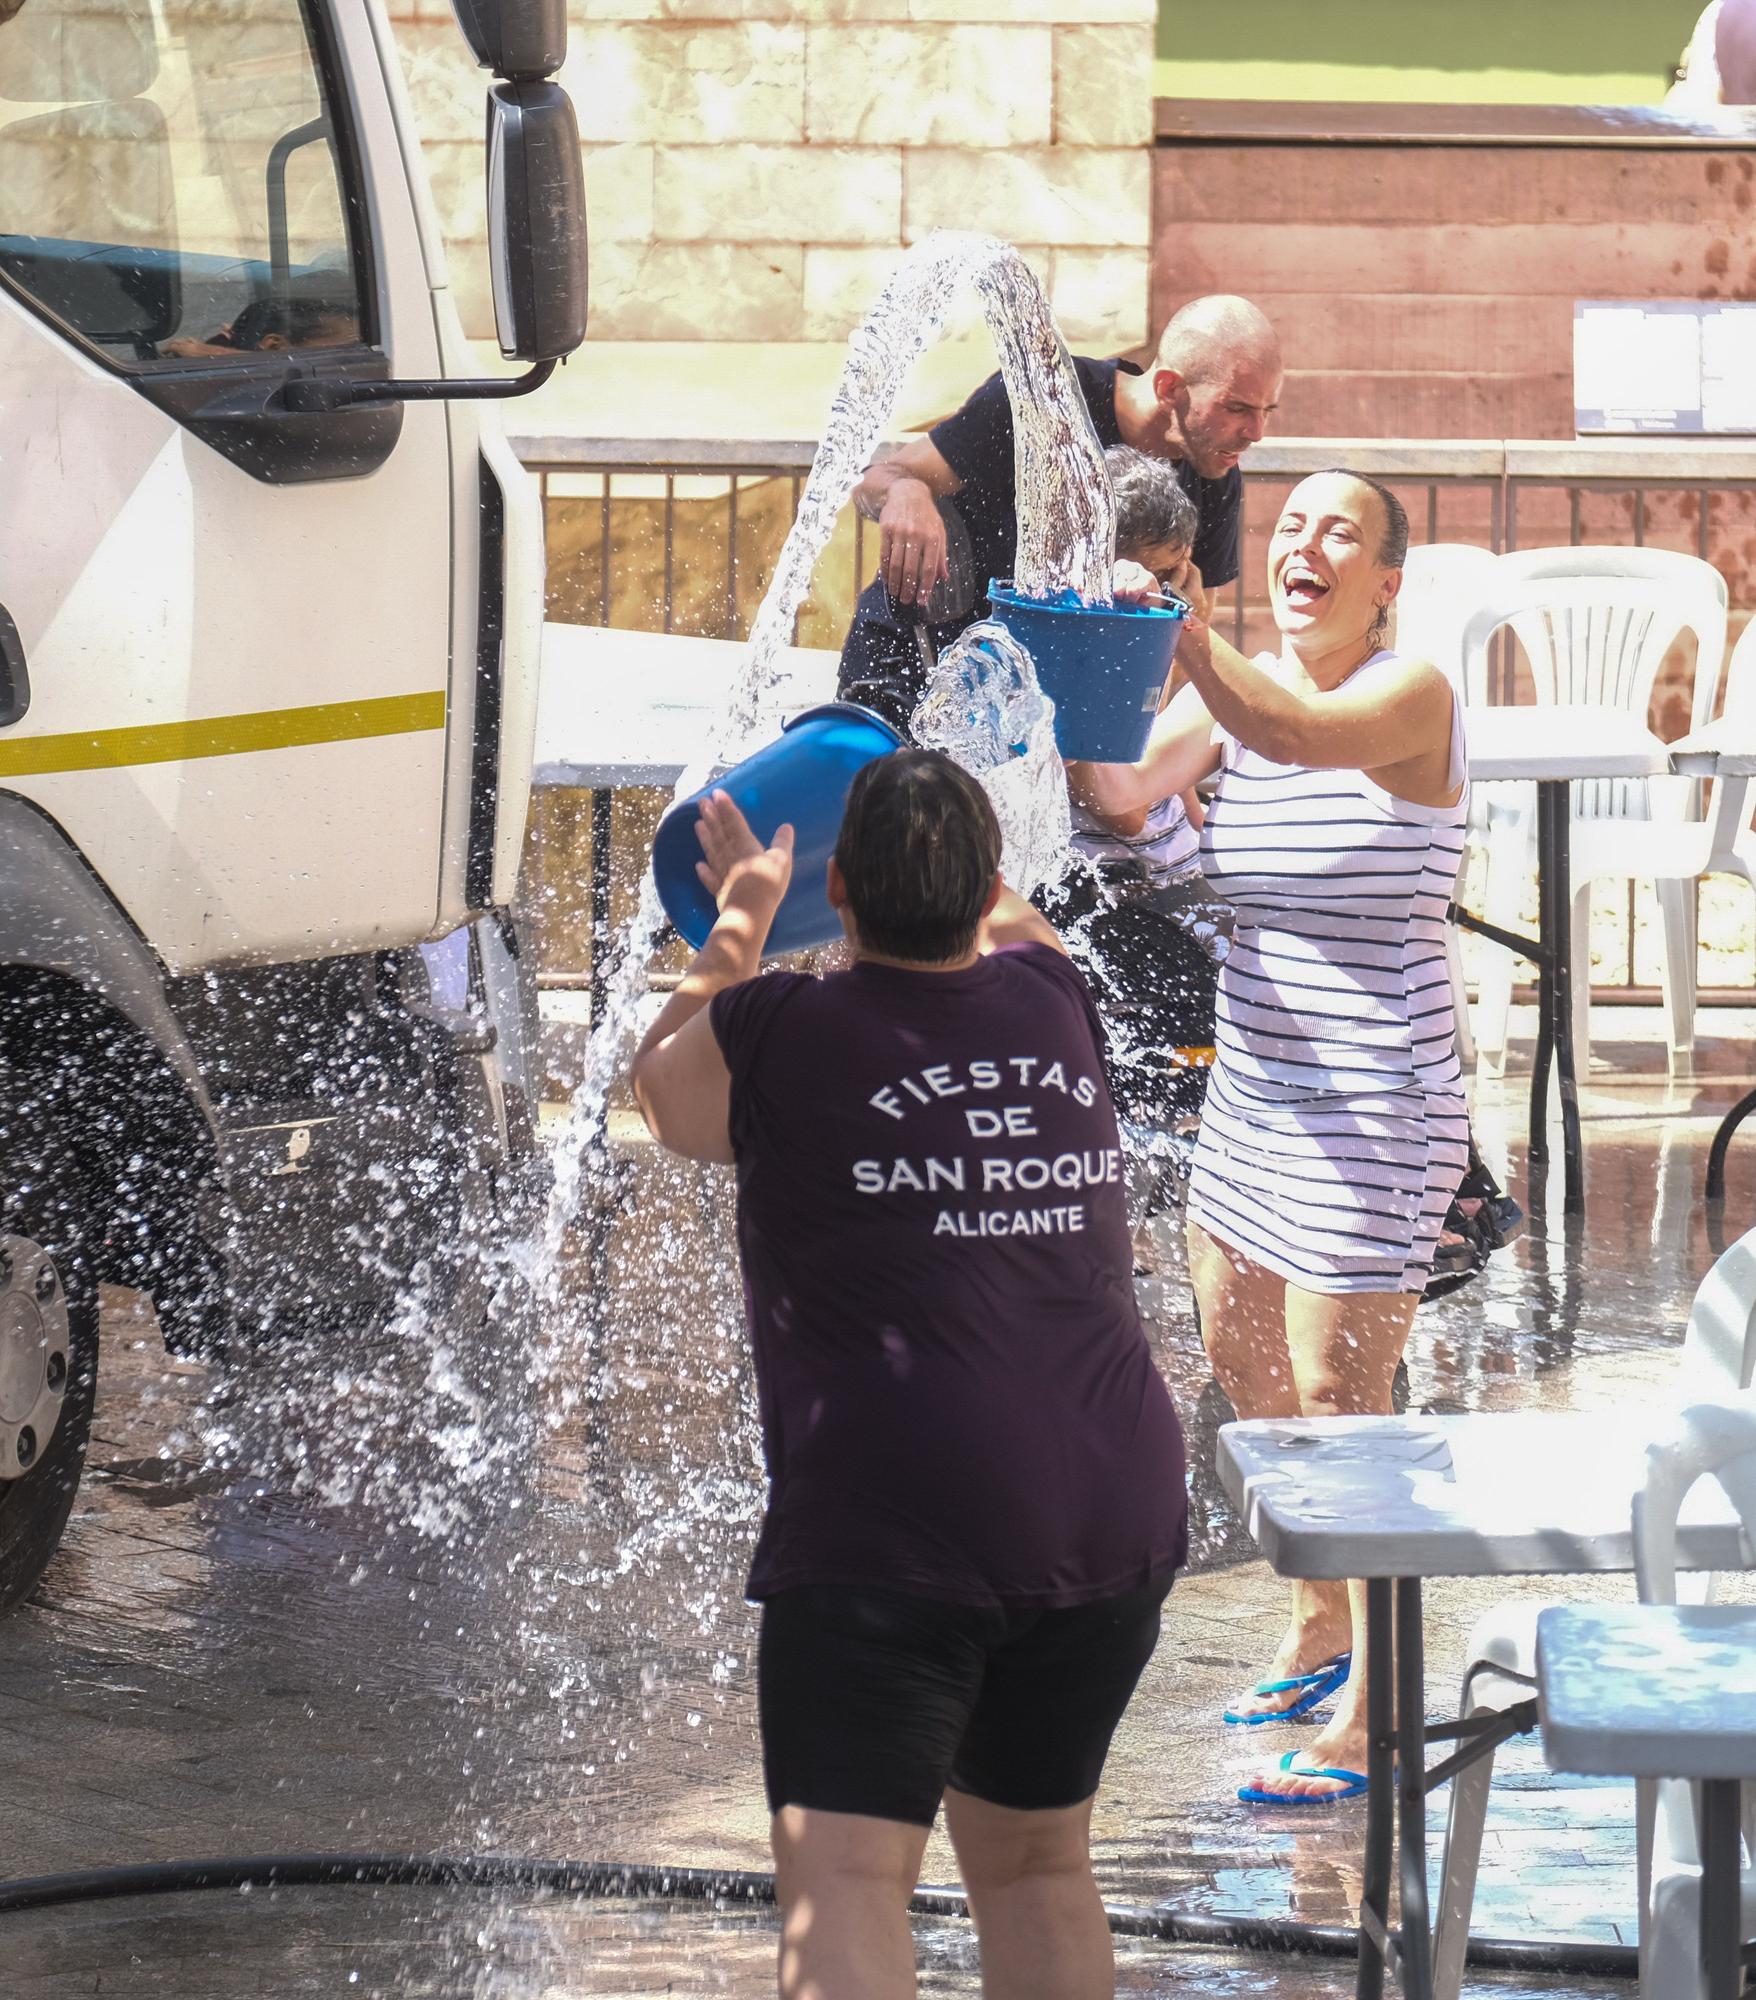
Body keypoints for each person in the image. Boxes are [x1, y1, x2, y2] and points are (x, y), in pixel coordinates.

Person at [630, 752, 1187, 1996]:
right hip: (1106, 1505)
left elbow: (661, 1093)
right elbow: (1006, 911)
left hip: (895, 1525)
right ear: (988, 881)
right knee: (1040, 1862)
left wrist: (742, 916)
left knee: (845, 1882)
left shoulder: (780, 1027)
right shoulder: (1052, 999)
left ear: (840, 889)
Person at [1070, 469, 1469, 1805]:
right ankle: (1321, 1621)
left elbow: (1294, 733)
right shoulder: (1231, 698)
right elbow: (1123, 795)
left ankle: (1378, 1703)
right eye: (1291, 524)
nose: (1308, 543)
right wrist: (1071, 669)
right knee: (1245, 1361)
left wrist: (1184, 627)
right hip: (1253, 1092)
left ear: (1384, 583)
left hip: (1377, 1102)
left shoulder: (1405, 698)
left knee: (1341, 1406)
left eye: (1340, 533)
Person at [837, 295, 1283, 733]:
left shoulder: (1215, 471)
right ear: (1169, 387)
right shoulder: (1044, 402)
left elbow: (1190, 639)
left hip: (1041, 712)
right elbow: (875, 480)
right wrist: (908, 491)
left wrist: (1184, 620)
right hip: (909, 665)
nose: (1257, 432)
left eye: (1266, 411)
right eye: (1237, 407)